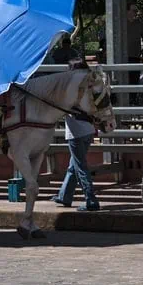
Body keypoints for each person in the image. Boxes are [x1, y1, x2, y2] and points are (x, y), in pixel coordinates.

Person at [50, 59, 100, 211]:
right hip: (89, 130)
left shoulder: (71, 89)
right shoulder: (91, 86)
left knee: (80, 166)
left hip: (76, 132)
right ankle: (64, 196)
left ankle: (91, 200)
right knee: (74, 165)